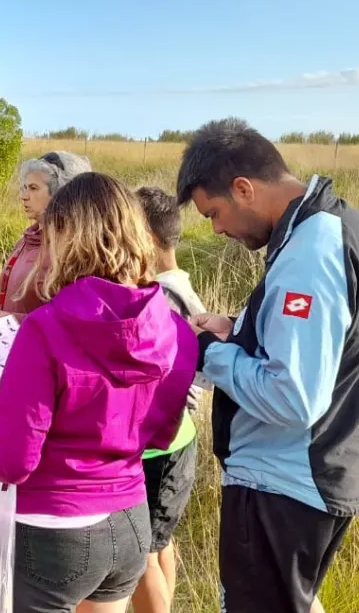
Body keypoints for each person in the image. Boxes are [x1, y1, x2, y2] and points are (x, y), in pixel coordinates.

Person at [177, 119, 359, 613]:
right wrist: (239, 330)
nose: (216, 230)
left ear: (243, 188)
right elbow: (333, 342)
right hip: (322, 468)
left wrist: (209, 354)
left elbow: (293, 395)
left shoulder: (310, 252)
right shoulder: (347, 226)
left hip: (284, 482)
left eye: (214, 213)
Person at [0, 172, 195, 613]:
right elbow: (161, 433)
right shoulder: (173, 326)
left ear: (66, 237)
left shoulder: (47, 329)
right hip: (129, 518)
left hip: (53, 526)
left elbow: (7, 461)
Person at [133, 187, 208, 613]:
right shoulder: (180, 286)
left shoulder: (159, 296)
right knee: (159, 542)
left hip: (159, 443)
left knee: (139, 551)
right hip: (178, 440)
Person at [0, 150, 90, 328]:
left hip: (41, 354)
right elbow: (12, 306)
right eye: (24, 187)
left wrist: (14, 322)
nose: (23, 196)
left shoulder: (72, 249)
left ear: (61, 192)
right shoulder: (26, 241)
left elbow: (73, 321)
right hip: (11, 351)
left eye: (34, 188)